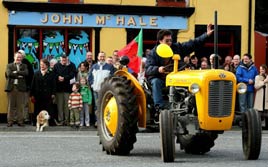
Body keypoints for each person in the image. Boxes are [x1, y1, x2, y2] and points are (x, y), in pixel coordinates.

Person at [145, 24, 214, 110]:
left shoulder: (176, 47)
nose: (170, 43)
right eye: (167, 41)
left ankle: (193, 105)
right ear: (160, 41)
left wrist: (206, 35)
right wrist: (158, 69)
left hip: (176, 78)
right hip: (161, 79)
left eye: (170, 40)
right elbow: (148, 69)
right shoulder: (153, 53)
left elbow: (192, 44)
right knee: (156, 82)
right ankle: (159, 107)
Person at [88, 51, 116, 126]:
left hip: (106, 90)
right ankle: (98, 121)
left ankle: (105, 122)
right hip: (96, 90)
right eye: (100, 56)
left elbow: (112, 77)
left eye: (103, 56)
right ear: (97, 57)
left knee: (106, 105)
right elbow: (90, 77)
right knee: (97, 106)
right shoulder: (94, 67)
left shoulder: (110, 67)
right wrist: (92, 85)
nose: (102, 58)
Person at [5, 52, 29, 127]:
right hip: (11, 88)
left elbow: (26, 73)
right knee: (11, 106)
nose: (18, 59)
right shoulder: (9, 65)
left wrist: (17, 72)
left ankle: (20, 122)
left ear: (22, 58)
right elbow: (9, 74)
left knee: (20, 106)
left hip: (20, 88)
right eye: (17, 57)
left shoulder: (24, 66)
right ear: (14, 57)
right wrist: (19, 76)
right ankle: (10, 122)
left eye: (20, 57)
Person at [30, 58, 56, 126]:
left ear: (47, 65)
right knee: (37, 109)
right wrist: (32, 95)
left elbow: (54, 85)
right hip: (38, 95)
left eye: (43, 65)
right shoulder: (36, 74)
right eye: (41, 64)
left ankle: (50, 122)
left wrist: (53, 93)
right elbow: (33, 85)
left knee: (49, 109)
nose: (42, 66)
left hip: (48, 95)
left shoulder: (51, 74)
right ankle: (37, 122)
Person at [53, 54, 77, 126]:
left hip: (68, 89)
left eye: (65, 60)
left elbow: (72, 74)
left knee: (67, 106)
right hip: (59, 89)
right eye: (62, 60)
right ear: (60, 59)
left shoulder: (72, 65)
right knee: (59, 106)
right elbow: (54, 74)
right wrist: (58, 77)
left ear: (67, 59)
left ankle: (67, 120)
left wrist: (64, 78)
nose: (64, 61)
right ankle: (60, 120)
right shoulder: (56, 65)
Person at [18, 49, 34, 124]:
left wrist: (29, 85)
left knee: (25, 103)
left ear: (23, 56)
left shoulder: (27, 63)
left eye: (20, 55)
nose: (19, 56)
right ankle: (16, 118)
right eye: (18, 54)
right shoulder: (13, 63)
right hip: (16, 86)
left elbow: (30, 75)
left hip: (25, 86)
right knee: (16, 103)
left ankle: (26, 118)